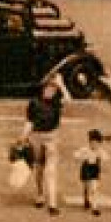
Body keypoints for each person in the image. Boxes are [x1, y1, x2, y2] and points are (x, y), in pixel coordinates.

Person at [20, 74, 71, 214]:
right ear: (43, 89)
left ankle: (52, 204)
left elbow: (69, 100)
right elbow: (29, 122)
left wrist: (61, 84)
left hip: (52, 138)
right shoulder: (34, 103)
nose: (51, 92)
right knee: (39, 168)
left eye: (53, 90)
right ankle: (39, 195)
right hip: (36, 138)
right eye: (49, 89)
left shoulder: (57, 102)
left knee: (51, 170)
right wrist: (22, 138)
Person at [74, 129, 109, 216]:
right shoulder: (85, 149)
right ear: (89, 142)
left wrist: (102, 158)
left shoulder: (100, 151)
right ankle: (86, 199)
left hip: (95, 170)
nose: (94, 145)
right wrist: (80, 157)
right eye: (92, 143)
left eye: (96, 143)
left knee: (94, 188)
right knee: (86, 186)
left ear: (99, 143)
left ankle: (95, 207)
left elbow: (106, 157)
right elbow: (76, 155)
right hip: (86, 169)